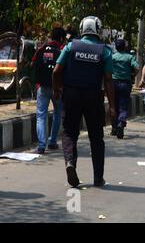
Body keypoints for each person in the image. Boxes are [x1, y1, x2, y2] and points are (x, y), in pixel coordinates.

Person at [52, 16, 115, 188]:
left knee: (70, 133)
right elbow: (108, 80)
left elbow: (57, 70)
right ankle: (98, 178)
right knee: (96, 137)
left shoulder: (71, 46)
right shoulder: (105, 51)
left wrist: (57, 89)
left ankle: (70, 163)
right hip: (93, 97)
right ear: (98, 30)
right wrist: (113, 106)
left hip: (71, 95)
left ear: (82, 29)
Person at [32, 26, 66, 154]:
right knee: (57, 114)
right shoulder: (62, 51)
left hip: (42, 87)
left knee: (41, 116)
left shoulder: (40, 50)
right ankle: (52, 142)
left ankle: (41, 146)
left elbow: (33, 64)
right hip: (57, 89)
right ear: (62, 38)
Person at [111, 39, 139, 138]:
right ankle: (121, 122)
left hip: (113, 83)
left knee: (113, 104)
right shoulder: (130, 57)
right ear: (125, 47)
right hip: (125, 84)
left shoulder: (112, 57)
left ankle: (114, 128)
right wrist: (133, 76)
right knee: (123, 105)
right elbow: (136, 68)